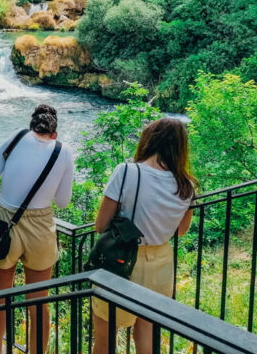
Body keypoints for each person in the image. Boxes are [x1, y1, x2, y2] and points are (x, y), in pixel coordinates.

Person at [91, 118, 197, 354]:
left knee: (106, 336)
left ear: (149, 140)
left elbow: (100, 225)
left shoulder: (127, 172)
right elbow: (180, 230)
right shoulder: (187, 185)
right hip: (161, 264)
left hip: (123, 261)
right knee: (146, 330)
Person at [0, 105, 75, 354]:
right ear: (54, 133)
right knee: (38, 303)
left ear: (32, 125)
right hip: (42, 227)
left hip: (4, 222)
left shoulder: (18, 136)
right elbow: (63, 202)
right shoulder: (63, 151)